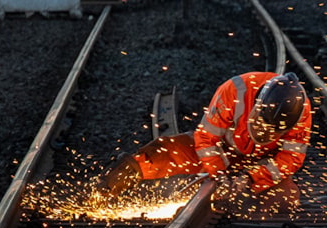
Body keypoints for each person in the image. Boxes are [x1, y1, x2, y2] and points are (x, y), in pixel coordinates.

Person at [99, 71, 310, 215]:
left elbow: (290, 159)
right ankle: (107, 190)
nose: (263, 133)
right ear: (256, 104)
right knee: (166, 152)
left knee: (286, 198)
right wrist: (219, 175)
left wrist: (250, 179)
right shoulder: (235, 90)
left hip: (261, 162)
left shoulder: (300, 112)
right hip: (222, 150)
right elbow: (206, 140)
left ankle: (235, 211)